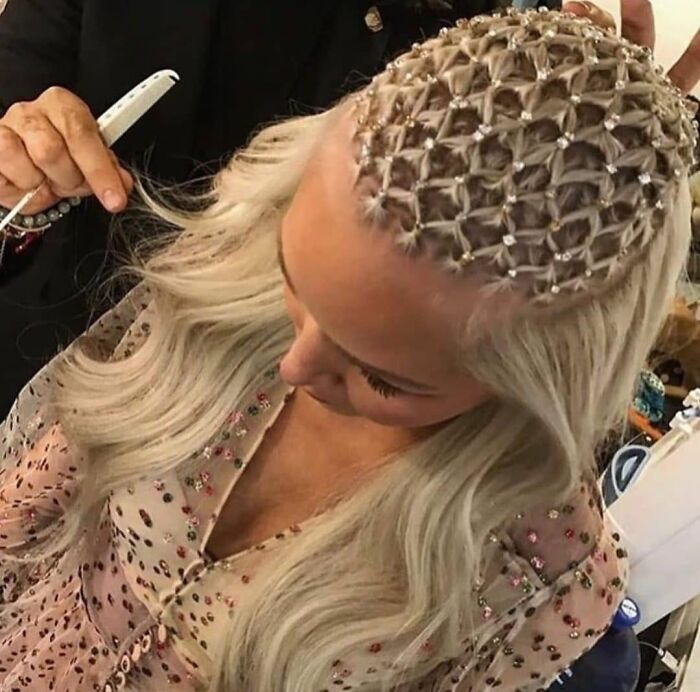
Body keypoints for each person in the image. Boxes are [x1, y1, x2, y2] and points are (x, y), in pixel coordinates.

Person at [0, 5, 698, 692]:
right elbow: (27, 514)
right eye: (292, 280)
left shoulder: (538, 581)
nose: (295, 366)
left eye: (384, 379)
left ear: (549, 375)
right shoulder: (217, 280)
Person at [0, 0, 531, 418]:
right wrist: (23, 170)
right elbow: (15, 102)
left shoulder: (494, 45)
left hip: (290, 419)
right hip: (52, 345)